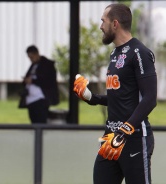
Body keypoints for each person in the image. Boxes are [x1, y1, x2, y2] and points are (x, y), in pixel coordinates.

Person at [74, 4, 157, 184]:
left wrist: (124, 131)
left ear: (115, 24)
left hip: (133, 138)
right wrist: (91, 97)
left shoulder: (140, 53)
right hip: (111, 138)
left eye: (103, 21)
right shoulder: (114, 53)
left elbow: (150, 99)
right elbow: (117, 97)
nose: (100, 26)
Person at [19, 45, 59, 124]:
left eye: (32, 57)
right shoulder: (33, 65)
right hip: (31, 99)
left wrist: (33, 80)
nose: (31, 59)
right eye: (29, 57)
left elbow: (47, 80)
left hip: (41, 98)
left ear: (37, 54)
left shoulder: (47, 65)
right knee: (33, 121)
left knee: (40, 121)